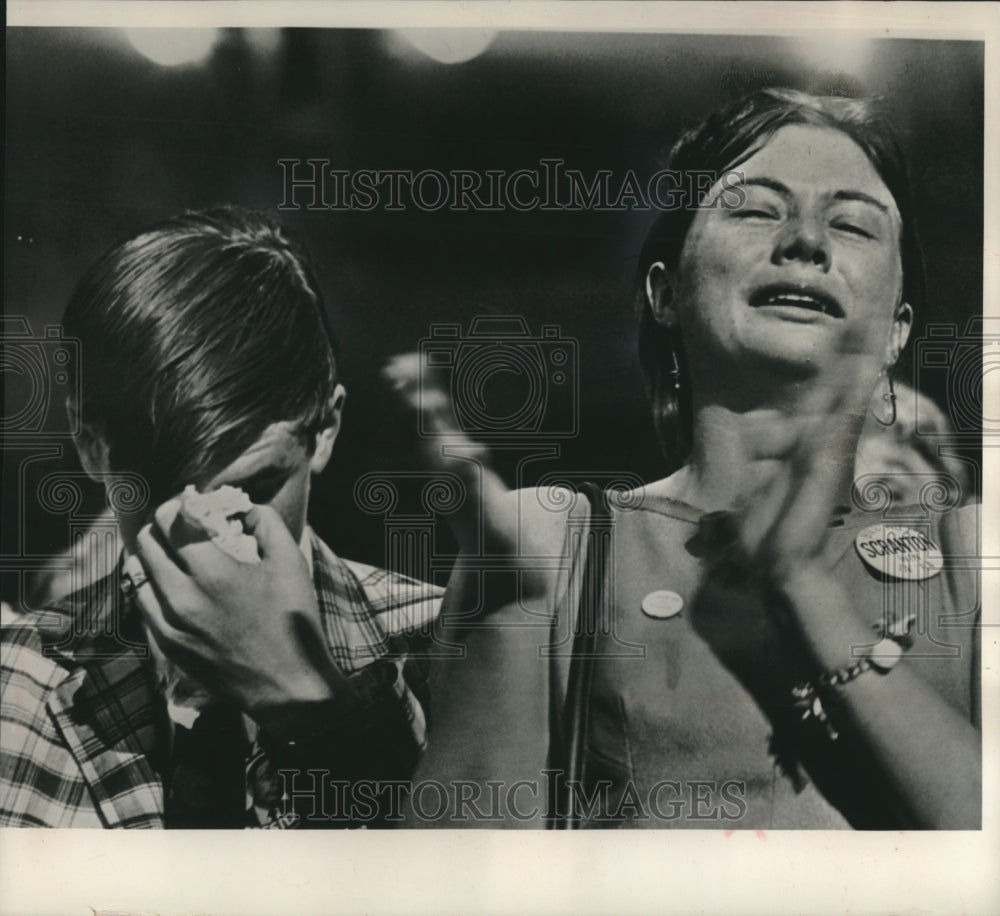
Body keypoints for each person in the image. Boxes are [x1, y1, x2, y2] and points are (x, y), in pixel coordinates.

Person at [396, 89, 981, 829]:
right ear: (665, 292)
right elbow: (459, 882)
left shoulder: (975, 553)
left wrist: (806, 590)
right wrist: (503, 622)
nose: (805, 242)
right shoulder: (554, 543)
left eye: (852, 223)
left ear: (898, 331)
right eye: (755, 209)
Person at [0, 207, 441, 828]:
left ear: (325, 432)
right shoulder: (13, 688)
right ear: (93, 446)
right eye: (166, 493)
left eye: (252, 489)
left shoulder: (451, 651)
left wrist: (317, 709)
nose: (208, 532)